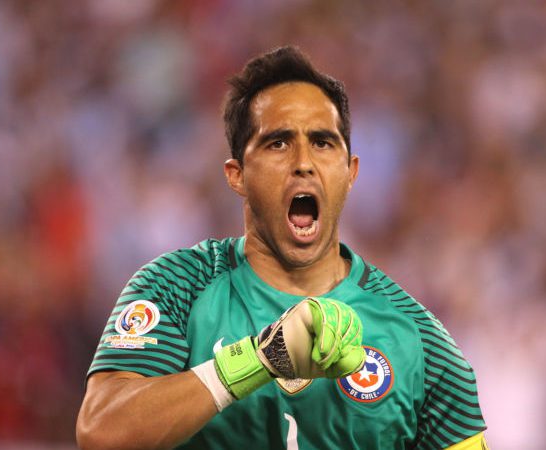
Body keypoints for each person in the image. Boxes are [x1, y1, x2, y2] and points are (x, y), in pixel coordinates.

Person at [76, 46, 488, 450]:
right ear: (236, 175)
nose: (303, 162)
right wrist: (259, 359)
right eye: (278, 143)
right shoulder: (176, 288)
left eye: (323, 143)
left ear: (350, 173)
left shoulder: (420, 340)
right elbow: (102, 432)